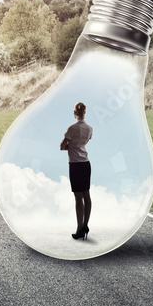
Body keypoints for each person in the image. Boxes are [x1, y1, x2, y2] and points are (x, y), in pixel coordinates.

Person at [60, 102, 92, 240]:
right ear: (85, 112)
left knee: (78, 198)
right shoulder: (89, 128)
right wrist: (77, 146)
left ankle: (79, 228)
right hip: (86, 163)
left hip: (75, 164)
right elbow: (84, 143)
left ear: (74, 113)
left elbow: (62, 146)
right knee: (87, 195)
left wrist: (71, 147)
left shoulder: (71, 128)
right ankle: (85, 225)